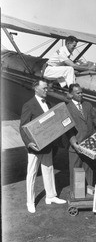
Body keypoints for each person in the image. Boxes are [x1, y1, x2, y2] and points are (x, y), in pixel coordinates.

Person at [20, 79, 66, 213]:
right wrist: (29, 142)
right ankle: (30, 201)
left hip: (48, 144)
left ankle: (51, 196)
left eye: (47, 88)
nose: (47, 90)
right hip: (34, 147)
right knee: (32, 174)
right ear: (36, 88)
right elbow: (22, 127)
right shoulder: (28, 105)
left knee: (49, 169)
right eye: (44, 88)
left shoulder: (49, 103)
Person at [66, 83, 96, 198]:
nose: (81, 94)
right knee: (75, 171)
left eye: (81, 92)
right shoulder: (67, 108)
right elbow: (67, 128)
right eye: (78, 93)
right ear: (71, 94)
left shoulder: (88, 105)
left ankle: (89, 192)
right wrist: (73, 142)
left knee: (88, 169)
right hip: (76, 145)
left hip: (90, 144)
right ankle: (75, 194)